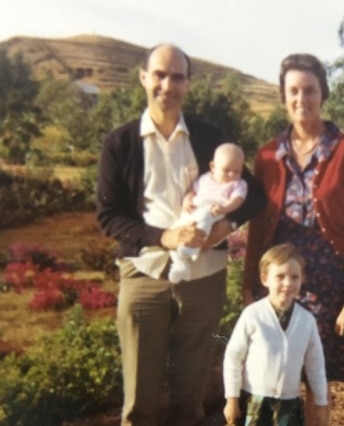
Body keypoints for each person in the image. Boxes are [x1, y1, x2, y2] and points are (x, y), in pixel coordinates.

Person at [96, 43, 265, 426]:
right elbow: (109, 217)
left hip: (203, 278)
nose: (167, 85)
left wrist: (226, 226)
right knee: (140, 404)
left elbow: (255, 195)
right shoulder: (120, 144)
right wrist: (165, 238)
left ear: (188, 84)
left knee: (189, 401)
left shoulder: (209, 139)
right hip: (144, 275)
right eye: (159, 74)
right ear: (143, 78)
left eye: (177, 76)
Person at [243, 53, 344, 424]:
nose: (302, 99)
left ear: (323, 93)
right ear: (284, 97)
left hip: (329, 286)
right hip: (279, 284)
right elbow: (256, 226)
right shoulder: (268, 155)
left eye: (310, 90)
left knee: (317, 379)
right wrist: (249, 285)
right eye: (294, 91)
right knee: (274, 375)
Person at [223, 243, 328, 426]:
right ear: (265, 279)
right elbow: (233, 357)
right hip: (255, 400)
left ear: (302, 279)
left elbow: (315, 365)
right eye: (280, 276)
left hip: (289, 403)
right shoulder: (253, 315)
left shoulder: (306, 321)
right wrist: (231, 399)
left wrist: (321, 403)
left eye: (294, 277)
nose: (288, 283)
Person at [166, 142, 247, 283]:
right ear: (213, 167)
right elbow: (193, 191)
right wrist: (187, 200)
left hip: (214, 211)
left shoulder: (238, 184)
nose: (232, 175)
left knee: (204, 217)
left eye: (237, 171)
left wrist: (225, 208)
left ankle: (193, 248)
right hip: (193, 211)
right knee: (174, 231)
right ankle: (180, 265)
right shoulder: (205, 178)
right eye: (227, 170)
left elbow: (237, 200)